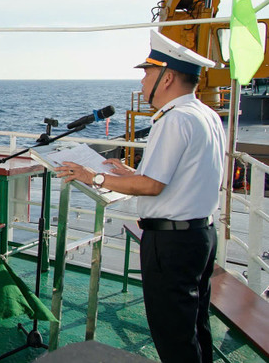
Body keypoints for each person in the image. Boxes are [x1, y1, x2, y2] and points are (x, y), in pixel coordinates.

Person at [55, 30, 224, 363]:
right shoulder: (206, 115)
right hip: (201, 236)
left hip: (173, 244)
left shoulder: (175, 120)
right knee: (194, 327)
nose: (142, 83)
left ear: (168, 77)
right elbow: (181, 178)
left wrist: (94, 176)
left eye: (147, 73)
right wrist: (129, 174)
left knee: (174, 336)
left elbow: (153, 187)